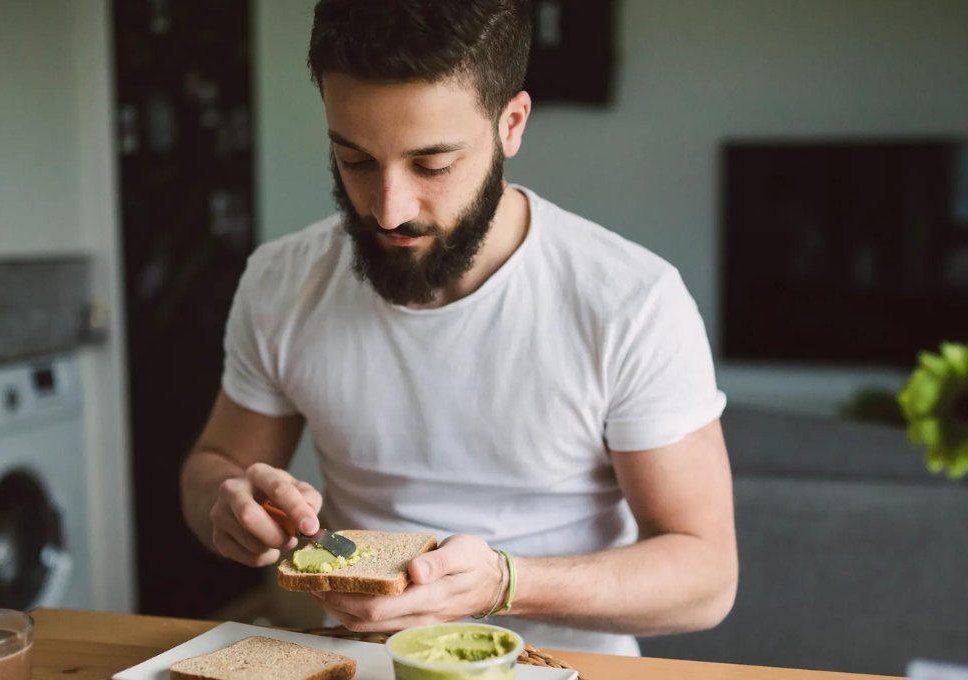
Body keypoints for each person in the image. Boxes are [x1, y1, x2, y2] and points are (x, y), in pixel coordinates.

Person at [180, 0, 736, 656]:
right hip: (360, 662)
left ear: (512, 124)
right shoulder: (281, 282)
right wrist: (229, 500)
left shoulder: (630, 302)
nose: (389, 210)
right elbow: (212, 467)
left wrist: (505, 582)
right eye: (355, 160)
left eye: (431, 165)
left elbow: (706, 578)